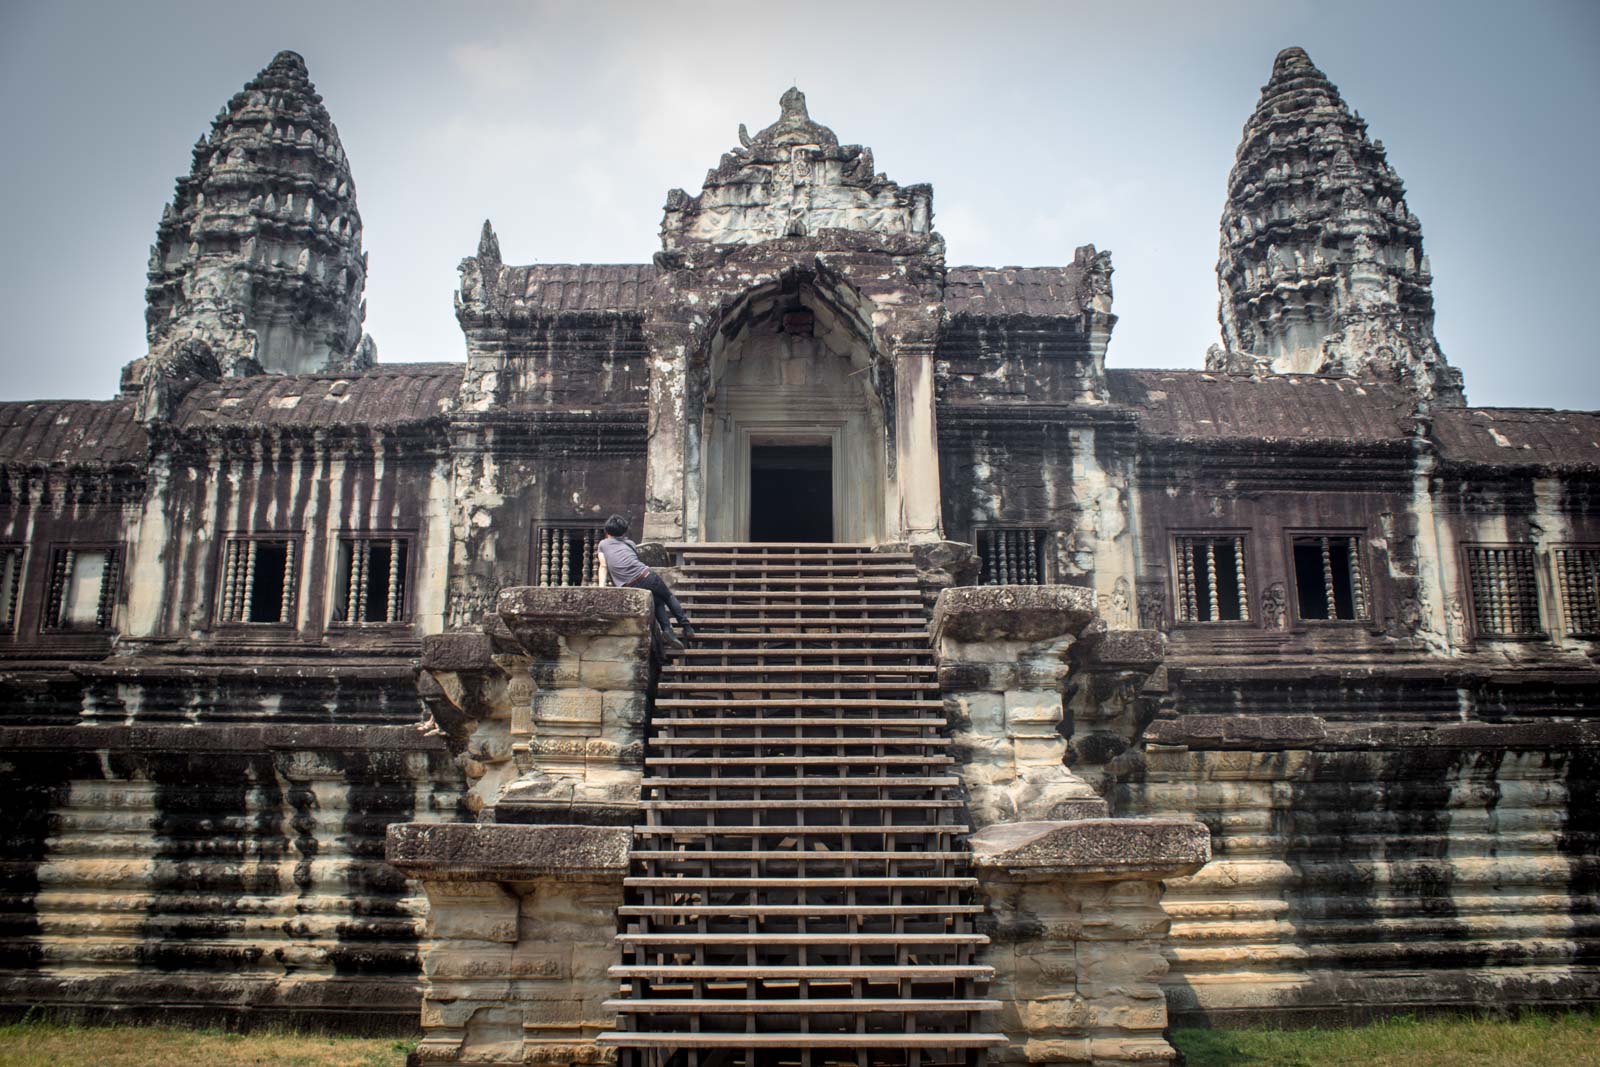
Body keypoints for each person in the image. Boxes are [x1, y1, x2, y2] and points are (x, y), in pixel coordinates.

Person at [597, 515, 696, 652]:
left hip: (629, 585)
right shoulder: (629, 543)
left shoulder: (602, 544)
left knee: (657, 602)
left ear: (607, 531)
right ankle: (687, 627)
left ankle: (667, 629)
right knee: (667, 597)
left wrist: (601, 587)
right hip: (646, 575)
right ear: (624, 532)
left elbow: (603, 566)